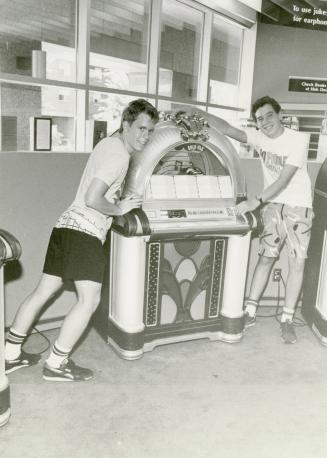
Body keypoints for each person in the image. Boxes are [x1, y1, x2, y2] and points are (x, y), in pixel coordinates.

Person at [5, 99, 159, 381]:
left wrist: (115, 202)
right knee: (89, 301)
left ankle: (9, 355)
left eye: (150, 131)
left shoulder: (107, 144)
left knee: (43, 292)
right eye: (140, 128)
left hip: (65, 226)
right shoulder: (120, 156)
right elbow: (93, 198)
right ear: (126, 124)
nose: (145, 136)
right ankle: (57, 363)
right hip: (85, 232)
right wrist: (120, 209)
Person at [193, 96, 313, 344]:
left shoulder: (298, 139)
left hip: (298, 205)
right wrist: (198, 113)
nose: (265, 122)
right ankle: (249, 312)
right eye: (259, 119)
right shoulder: (259, 137)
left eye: (269, 115)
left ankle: (288, 318)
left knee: (297, 263)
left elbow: (284, 180)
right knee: (266, 258)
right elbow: (227, 128)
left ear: (280, 114)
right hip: (272, 205)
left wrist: (255, 202)